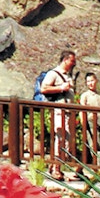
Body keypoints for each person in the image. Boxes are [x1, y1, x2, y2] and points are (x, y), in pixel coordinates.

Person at [40, 50, 77, 180]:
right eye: (72, 61)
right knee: (61, 139)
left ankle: (56, 166)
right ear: (65, 60)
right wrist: (61, 88)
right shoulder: (53, 74)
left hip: (68, 113)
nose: (74, 63)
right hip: (59, 112)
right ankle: (56, 168)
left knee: (67, 141)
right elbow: (44, 88)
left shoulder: (68, 75)